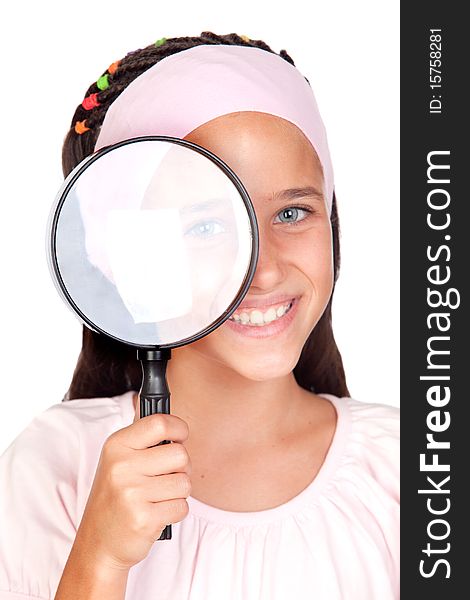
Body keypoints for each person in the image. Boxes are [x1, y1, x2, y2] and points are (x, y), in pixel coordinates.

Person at [0, 32, 399, 600]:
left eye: (292, 212)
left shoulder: (407, 470)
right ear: (127, 259)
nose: (263, 270)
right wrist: (102, 557)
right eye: (208, 227)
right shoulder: (54, 468)